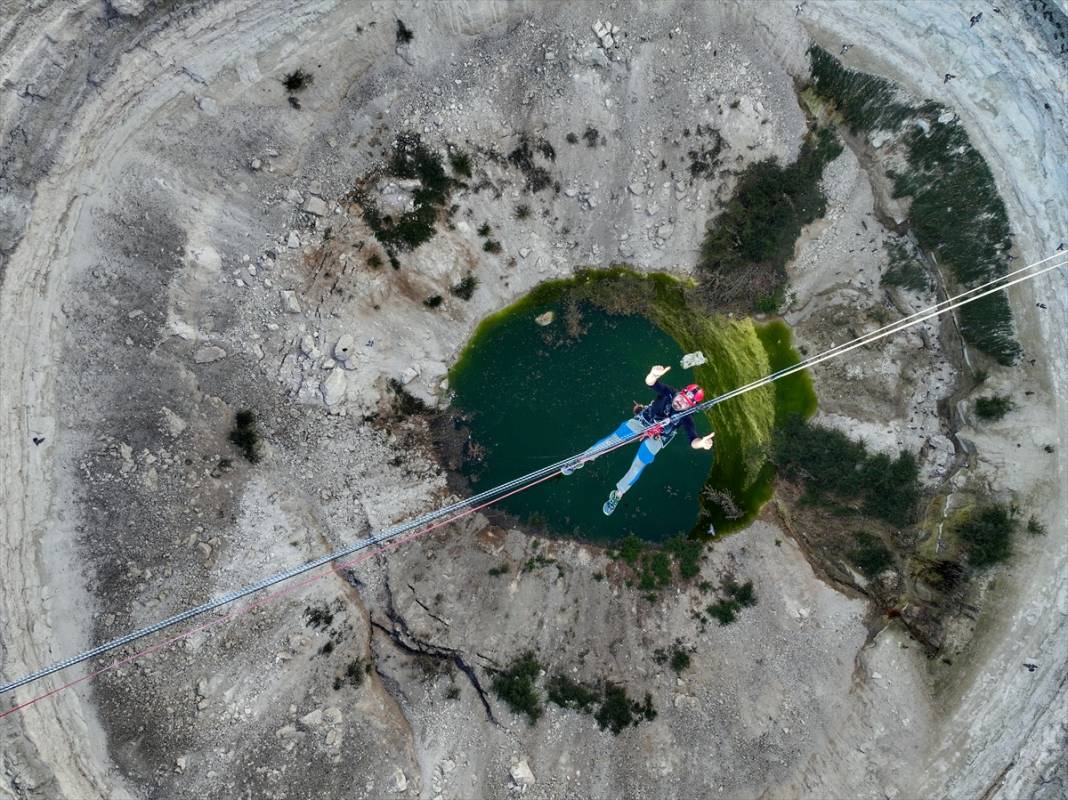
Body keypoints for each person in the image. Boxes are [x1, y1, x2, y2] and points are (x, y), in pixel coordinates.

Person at [562, 365, 715, 515]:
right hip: (642, 422)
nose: (680, 402)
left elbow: (692, 439)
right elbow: (651, 383)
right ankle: (580, 460)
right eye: (681, 398)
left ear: (689, 407)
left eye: (685, 403)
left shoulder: (686, 417)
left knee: (639, 464)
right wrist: (653, 374)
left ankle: (618, 494)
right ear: (680, 392)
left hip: (658, 437)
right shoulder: (669, 392)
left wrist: (701, 443)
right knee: (611, 441)